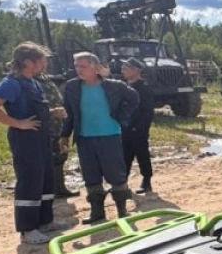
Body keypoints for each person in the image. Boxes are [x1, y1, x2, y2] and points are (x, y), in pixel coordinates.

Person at [0, 42, 66, 245]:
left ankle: (45, 221)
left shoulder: (32, 82)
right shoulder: (11, 83)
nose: (45, 63)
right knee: (29, 181)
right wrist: (17, 123)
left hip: (41, 137)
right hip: (25, 139)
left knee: (45, 178)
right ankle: (28, 229)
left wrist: (52, 113)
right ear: (28, 62)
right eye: (41, 60)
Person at [59, 52, 140, 224]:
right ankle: (97, 212)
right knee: (91, 176)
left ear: (95, 67)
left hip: (109, 136)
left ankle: (122, 210)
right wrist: (65, 135)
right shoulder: (72, 87)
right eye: (77, 66)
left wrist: (122, 117)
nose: (79, 70)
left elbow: (134, 98)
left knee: (116, 174)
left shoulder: (114, 86)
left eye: (83, 66)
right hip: (84, 138)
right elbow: (70, 113)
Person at [35, 70, 79, 198]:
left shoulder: (44, 77)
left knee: (59, 156)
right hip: (44, 126)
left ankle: (59, 188)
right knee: (47, 158)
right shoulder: (29, 80)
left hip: (57, 125)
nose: (46, 63)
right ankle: (50, 189)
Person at [119, 57, 156, 193]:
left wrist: (140, 128)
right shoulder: (124, 87)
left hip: (138, 128)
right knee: (124, 156)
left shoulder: (144, 88)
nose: (122, 71)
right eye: (122, 68)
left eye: (126, 68)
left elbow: (147, 111)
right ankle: (122, 183)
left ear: (136, 70)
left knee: (142, 154)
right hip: (124, 127)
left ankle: (146, 181)